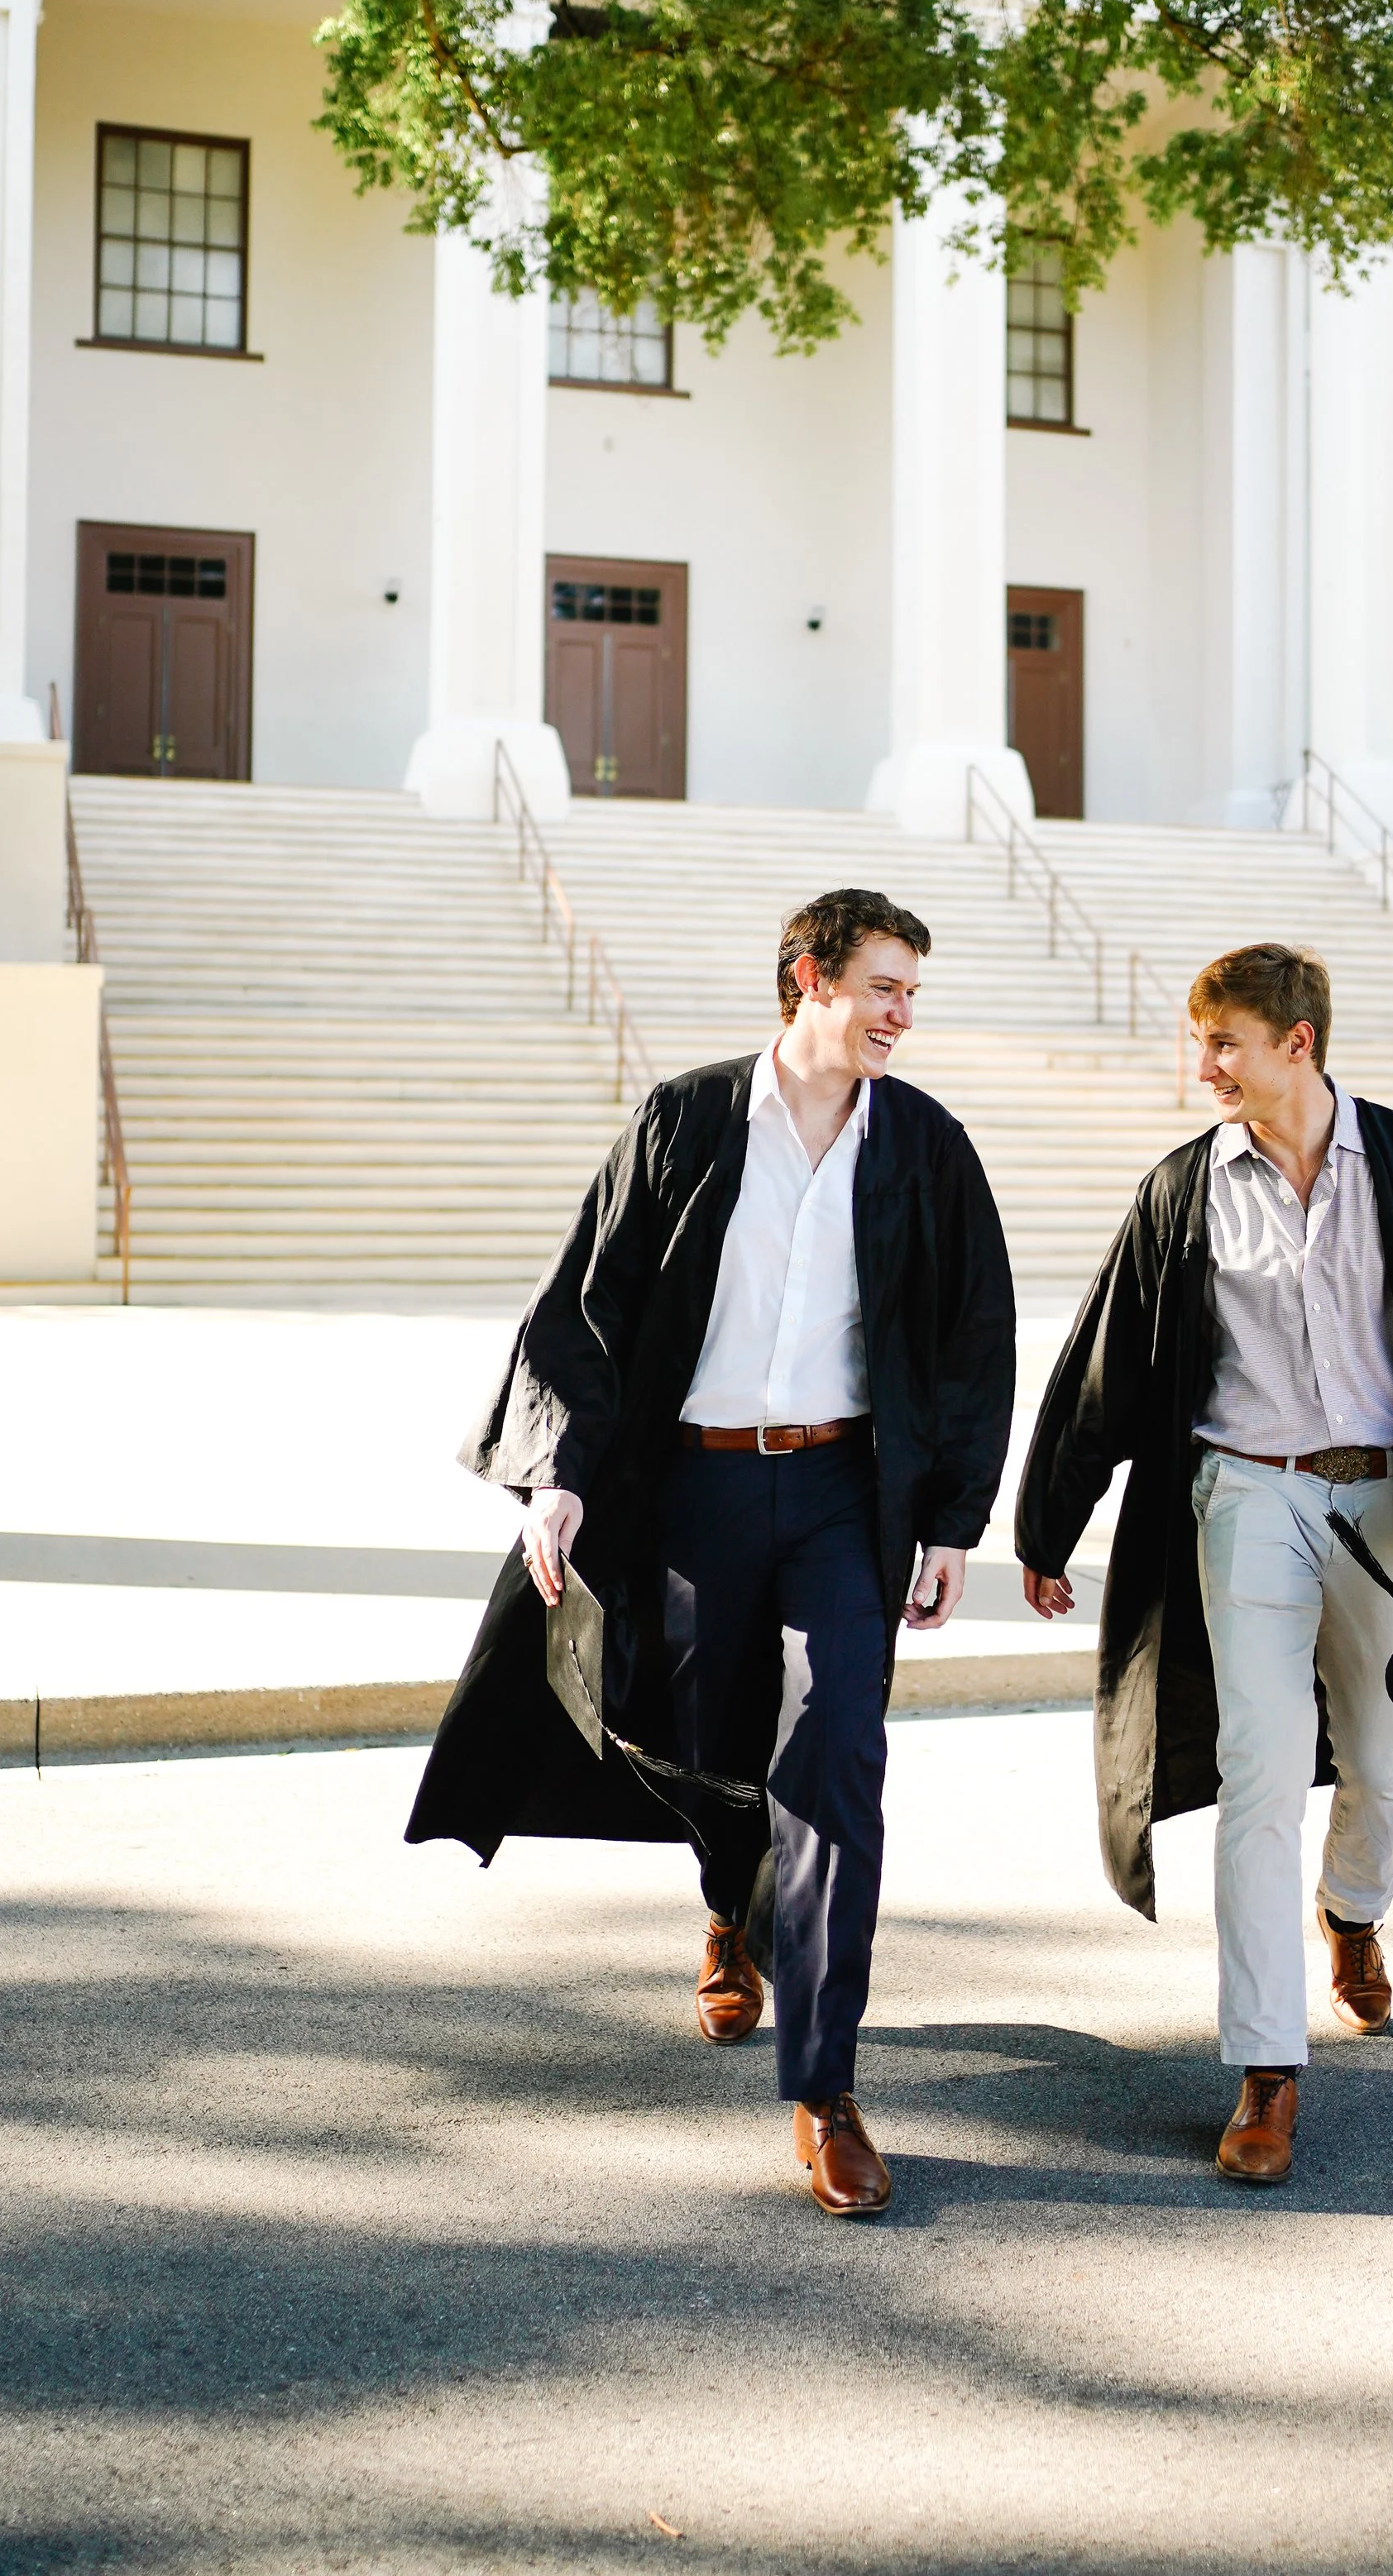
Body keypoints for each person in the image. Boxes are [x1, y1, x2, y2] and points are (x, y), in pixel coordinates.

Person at [408, 889, 1015, 2215]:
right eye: (883, 986)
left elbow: (974, 1336)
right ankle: (731, 1910)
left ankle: (826, 2086)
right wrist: (558, 1476)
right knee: (712, 1735)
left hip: (846, 1498)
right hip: (693, 1489)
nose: (904, 1014)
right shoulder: (686, 1122)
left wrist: (956, 1518)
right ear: (809, 979)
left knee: (839, 1757)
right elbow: (587, 1298)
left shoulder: (922, 1147)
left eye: (914, 991)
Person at [1015, 942, 1393, 2184]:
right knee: (1260, 1767)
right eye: (1198, 1041)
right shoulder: (1186, 1191)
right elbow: (1108, 1355)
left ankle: (1354, 1911)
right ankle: (1267, 2066)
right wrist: (1047, 1522)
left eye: (1226, 1044)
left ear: (1298, 1044)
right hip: (1247, 1495)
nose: (1202, 1065)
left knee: (1385, 1754)